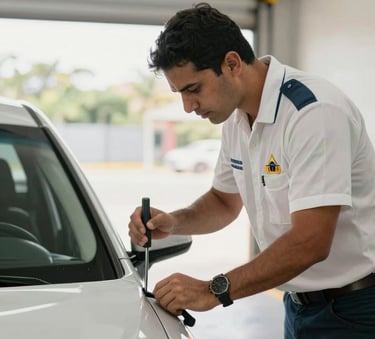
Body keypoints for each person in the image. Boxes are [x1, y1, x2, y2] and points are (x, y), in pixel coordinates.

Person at [128, 3, 375, 338]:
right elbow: (223, 201)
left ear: (231, 64)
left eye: (193, 89)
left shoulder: (313, 114)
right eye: (180, 94)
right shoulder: (237, 120)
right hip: (300, 305)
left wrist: (212, 290)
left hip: (358, 308)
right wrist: (174, 222)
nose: (188, 107)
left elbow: (311, 242)